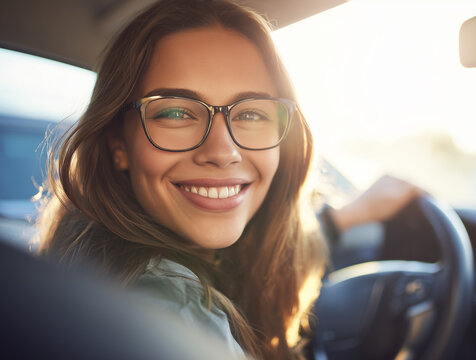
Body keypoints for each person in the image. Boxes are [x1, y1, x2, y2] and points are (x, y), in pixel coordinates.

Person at [36, 0, 422, 359]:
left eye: (251, 114)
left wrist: (343, 219)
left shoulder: (93, 257)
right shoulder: (174, 311)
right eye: (175, 113)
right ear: (118, 143)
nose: (222, 152)